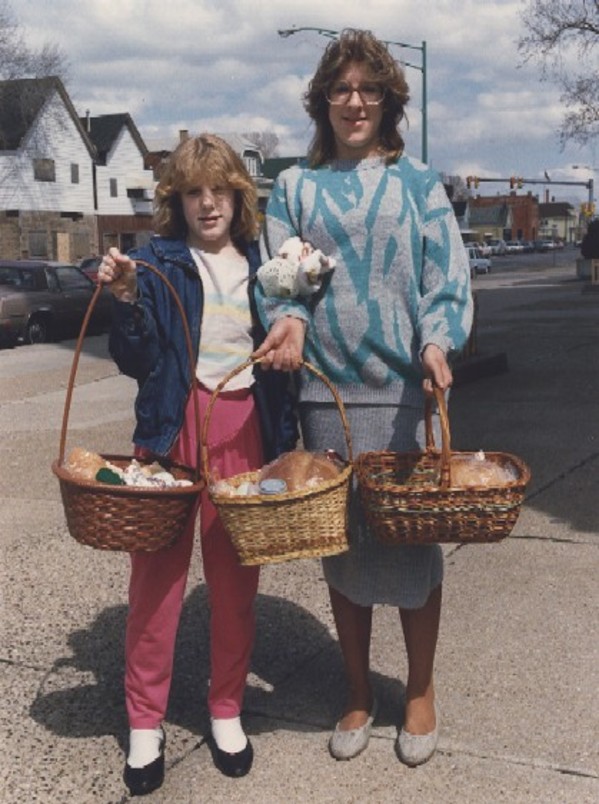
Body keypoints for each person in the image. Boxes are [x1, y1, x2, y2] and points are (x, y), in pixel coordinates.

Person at [254, 29, 473, 767]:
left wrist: (437, 342)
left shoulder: (419, 184)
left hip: (404, 393)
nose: (355, 102)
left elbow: (445, 276)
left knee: (412, 548)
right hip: (327, 397)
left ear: (388, 101)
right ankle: (356, 691)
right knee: (341, 551)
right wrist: (288, 320)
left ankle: (419, 690)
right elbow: (283, 279)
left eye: (368, 89)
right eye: (341, 89)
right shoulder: (295, 188)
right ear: (323, 101)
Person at [98, 133, 297, 796]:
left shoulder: (265, 261)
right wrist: (127, 297)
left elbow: (294, 342)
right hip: (172, 427)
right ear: (175, 200)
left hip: (244, 430)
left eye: (219, 190)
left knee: (236, 586)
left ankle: (225, 708)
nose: (207, 204)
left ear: (239, 196)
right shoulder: (156, 261)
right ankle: (144, 721)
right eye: (193, 192)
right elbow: (135, 358)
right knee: (155, 587)